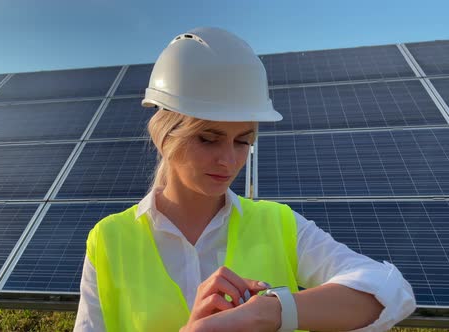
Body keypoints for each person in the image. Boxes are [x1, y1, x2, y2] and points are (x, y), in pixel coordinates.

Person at [74, 27, 416, 331]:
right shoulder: (108, 241)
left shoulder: (279, 224)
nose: (229, 160)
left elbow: (390, 290)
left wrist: (268, 313)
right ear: (165, 136)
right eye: (207, 138)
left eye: (243, 141)